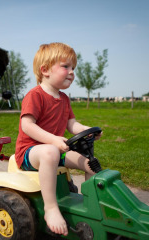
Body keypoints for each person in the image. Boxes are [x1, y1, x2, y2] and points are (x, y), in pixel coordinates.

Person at [15, 43, 102, 236]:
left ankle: (90, 206)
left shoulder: (64, 99)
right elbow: (27, 126)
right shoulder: (34, 96)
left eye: (73, 68)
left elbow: (72, 125)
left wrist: (88, 130)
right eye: (66, 67)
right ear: (45, 70)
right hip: (31, 152)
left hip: (56, 151)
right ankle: (51, 208)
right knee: (50, 151)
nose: (71, 72)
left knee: (90, 164)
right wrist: (53, 140)